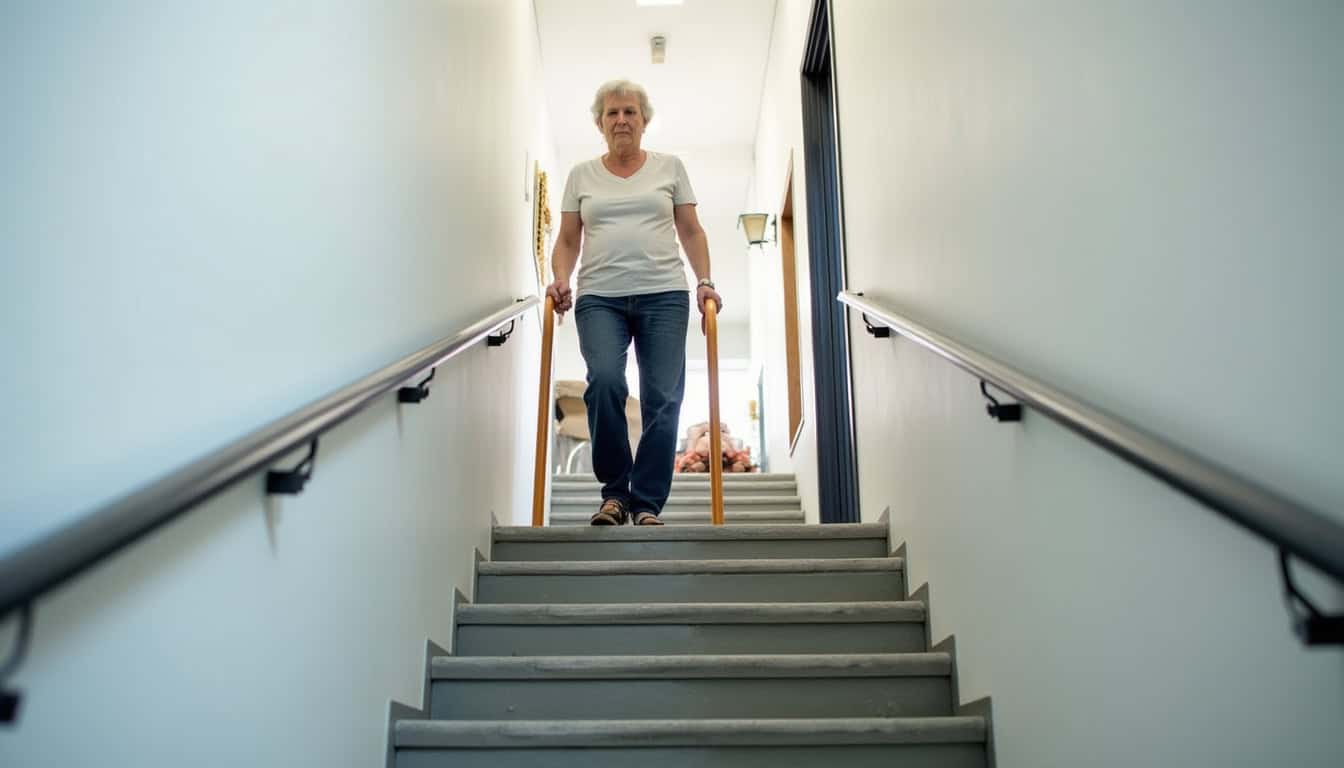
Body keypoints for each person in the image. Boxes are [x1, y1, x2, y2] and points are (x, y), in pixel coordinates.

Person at [545, 79, 722, 527]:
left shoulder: (670, 168)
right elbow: (567, 239)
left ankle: (645, 502)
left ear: (644, 121)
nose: (621, 119)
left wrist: (704, 281)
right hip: (599, 296)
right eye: (612, 113)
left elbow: (691, 230)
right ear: (600, 123)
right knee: (604, 382)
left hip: (664, 293)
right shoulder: (582, 175)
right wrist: (560, 279)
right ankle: (614, 495)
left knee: (663, 398)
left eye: (630, 112)